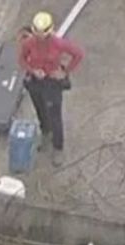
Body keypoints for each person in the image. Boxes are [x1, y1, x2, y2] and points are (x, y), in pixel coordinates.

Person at [17, 11, 84, 167]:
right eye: (37, 33)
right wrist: (33, 71)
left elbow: (78, 54)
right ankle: (45, 133)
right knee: (40, 109)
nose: (40, 37)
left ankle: (58, 147)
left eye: (43, 33)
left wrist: (64, 72)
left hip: (52, 83)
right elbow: (21, 59)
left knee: (55, 115)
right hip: (36, 81)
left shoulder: (58, 44)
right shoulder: (29, 43)